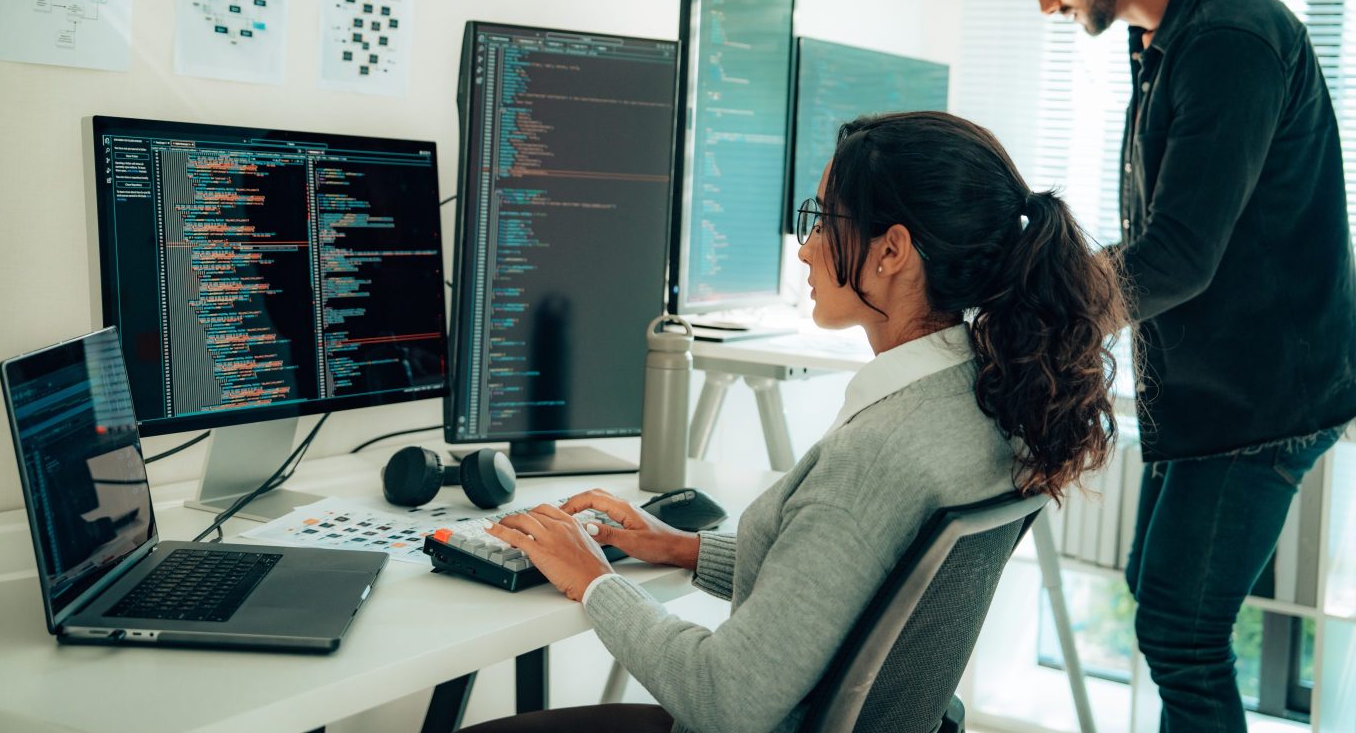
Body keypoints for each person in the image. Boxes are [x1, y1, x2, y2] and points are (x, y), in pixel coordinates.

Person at [465, 111, 1124, 733]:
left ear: (892, 251)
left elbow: (726, 699)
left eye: (823, 221)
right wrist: (682, 547)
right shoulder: (985, 399)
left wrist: (594, 580)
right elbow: (856, 588)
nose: (806, 250)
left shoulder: (874, 458)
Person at [989, 0, 1356, 731]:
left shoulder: (1229, 40)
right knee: (1157, 600)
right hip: (1216, 388)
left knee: (1181, 633)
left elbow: (1180, 256)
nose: (1046, 3)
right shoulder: (1167, 42)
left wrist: (1043, 314)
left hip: (1262, 398)